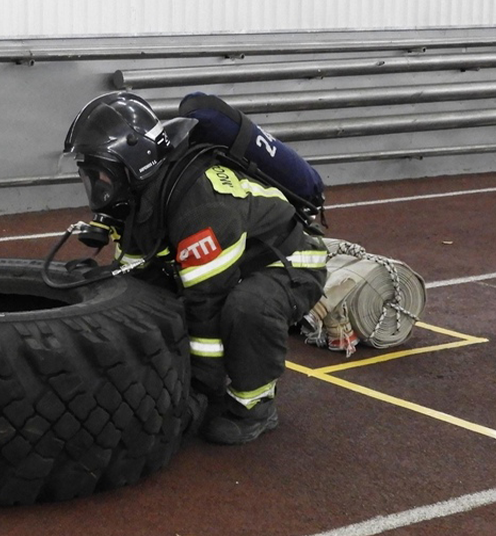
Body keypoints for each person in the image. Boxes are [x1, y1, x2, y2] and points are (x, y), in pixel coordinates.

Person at [62, 92, 327, 445]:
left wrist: (199, 392)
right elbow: (136, 275)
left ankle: (255, 406)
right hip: (229, 262)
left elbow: (207, 305)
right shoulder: (144, 193)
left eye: (102, 176)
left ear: (133, 162)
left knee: (247, 308)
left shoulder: (199, 207)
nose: (98, 189)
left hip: (287, 262)